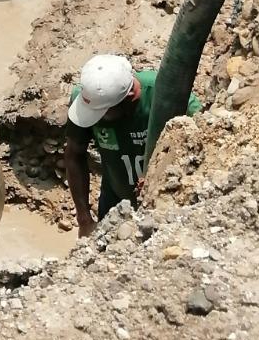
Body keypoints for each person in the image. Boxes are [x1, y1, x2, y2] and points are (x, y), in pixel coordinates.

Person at [64, 53, 201, 236]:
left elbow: (205, 138)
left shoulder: (163, 93)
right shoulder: (87, 103)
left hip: (162, 203)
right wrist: (84, 219)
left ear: (129, 97)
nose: (96, 117)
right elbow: (74, 154)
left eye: (102, 112)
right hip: (115, 197)